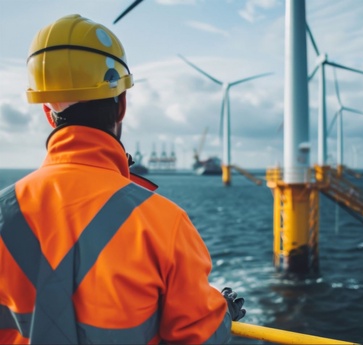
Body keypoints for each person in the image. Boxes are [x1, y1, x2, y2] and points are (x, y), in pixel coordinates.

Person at [0, 14, 245, 344]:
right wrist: (224, 315)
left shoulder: (3, 213)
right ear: (122, 106)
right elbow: (198, 337)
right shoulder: (164, 224)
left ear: (47, 111)